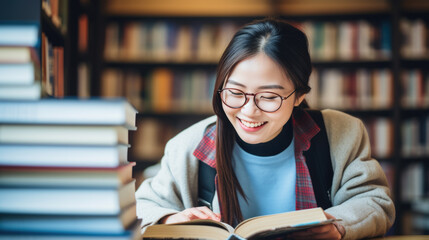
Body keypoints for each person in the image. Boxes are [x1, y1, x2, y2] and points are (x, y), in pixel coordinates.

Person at [135, 18, 395, 240]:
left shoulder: (341, 134)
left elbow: (374, 201)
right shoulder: (188, 145)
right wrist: (169, 219)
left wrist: (339, 224)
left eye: (269, 97)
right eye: (235, 92)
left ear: (299, 95)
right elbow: (142, 207)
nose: (249, 111)